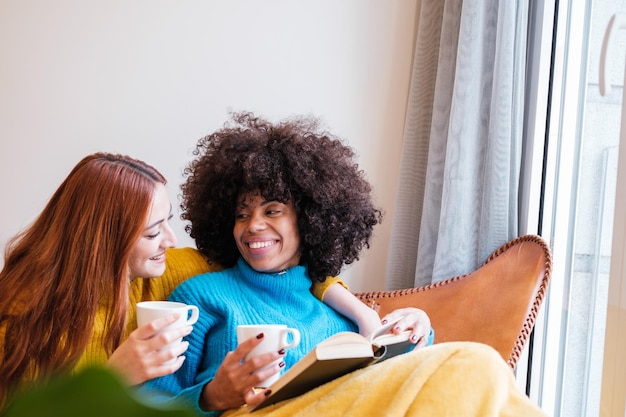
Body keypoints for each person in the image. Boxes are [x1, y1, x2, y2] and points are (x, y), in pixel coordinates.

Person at [138, 112, 545, 417]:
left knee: (477, 371)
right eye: (242, 214)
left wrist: (417, 329)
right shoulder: (201, 297)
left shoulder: (336, 308)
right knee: (477, 363)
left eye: (273, 210)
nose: (253, 225)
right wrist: (210, 396)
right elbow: (146, 407)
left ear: (311, 217)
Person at [0, 152, 363, 411]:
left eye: (168, 222)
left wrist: (362, 312)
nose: (171, 241)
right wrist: (114, 376)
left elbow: (276, 261)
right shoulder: (21, 318)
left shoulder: (172, 267)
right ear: (105, 240)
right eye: (153, 231)